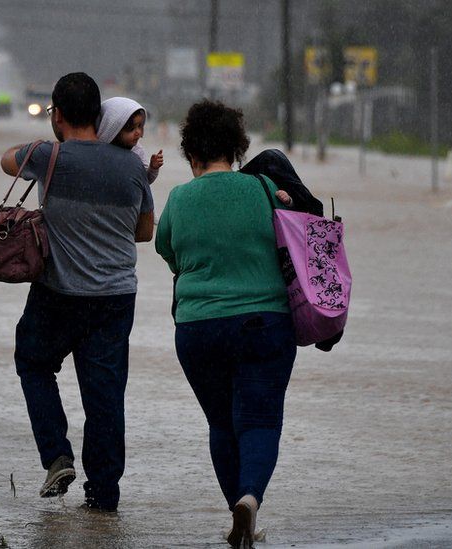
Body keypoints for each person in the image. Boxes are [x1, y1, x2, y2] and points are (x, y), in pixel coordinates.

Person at [0, 72, 155, 513]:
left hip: (58, 295)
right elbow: (143, 233)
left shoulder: (48, 156)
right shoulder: (133, 168)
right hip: (115, 299)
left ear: (60, 114)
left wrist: (47, 144)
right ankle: (104, 498)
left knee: (33, 363)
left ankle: (57, 455)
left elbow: (6, 162)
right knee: (105, 396)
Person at [154, 100, 296, 548]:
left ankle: (235, 505)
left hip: (199, 329)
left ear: (190, 152)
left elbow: (167, 251)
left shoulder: (179, 197)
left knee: (221, 423)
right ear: (237, 149)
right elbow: (296, 240)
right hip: (265, 322)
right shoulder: (265, 188)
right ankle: (250, 500)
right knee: (259, 421)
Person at [96, 96, 164, 184]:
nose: (138, 132)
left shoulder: (137, 150)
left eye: (140, 126)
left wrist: (153, 168)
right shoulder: (99, 151)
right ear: (113, 130)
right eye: (131, 128)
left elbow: (145, 180)